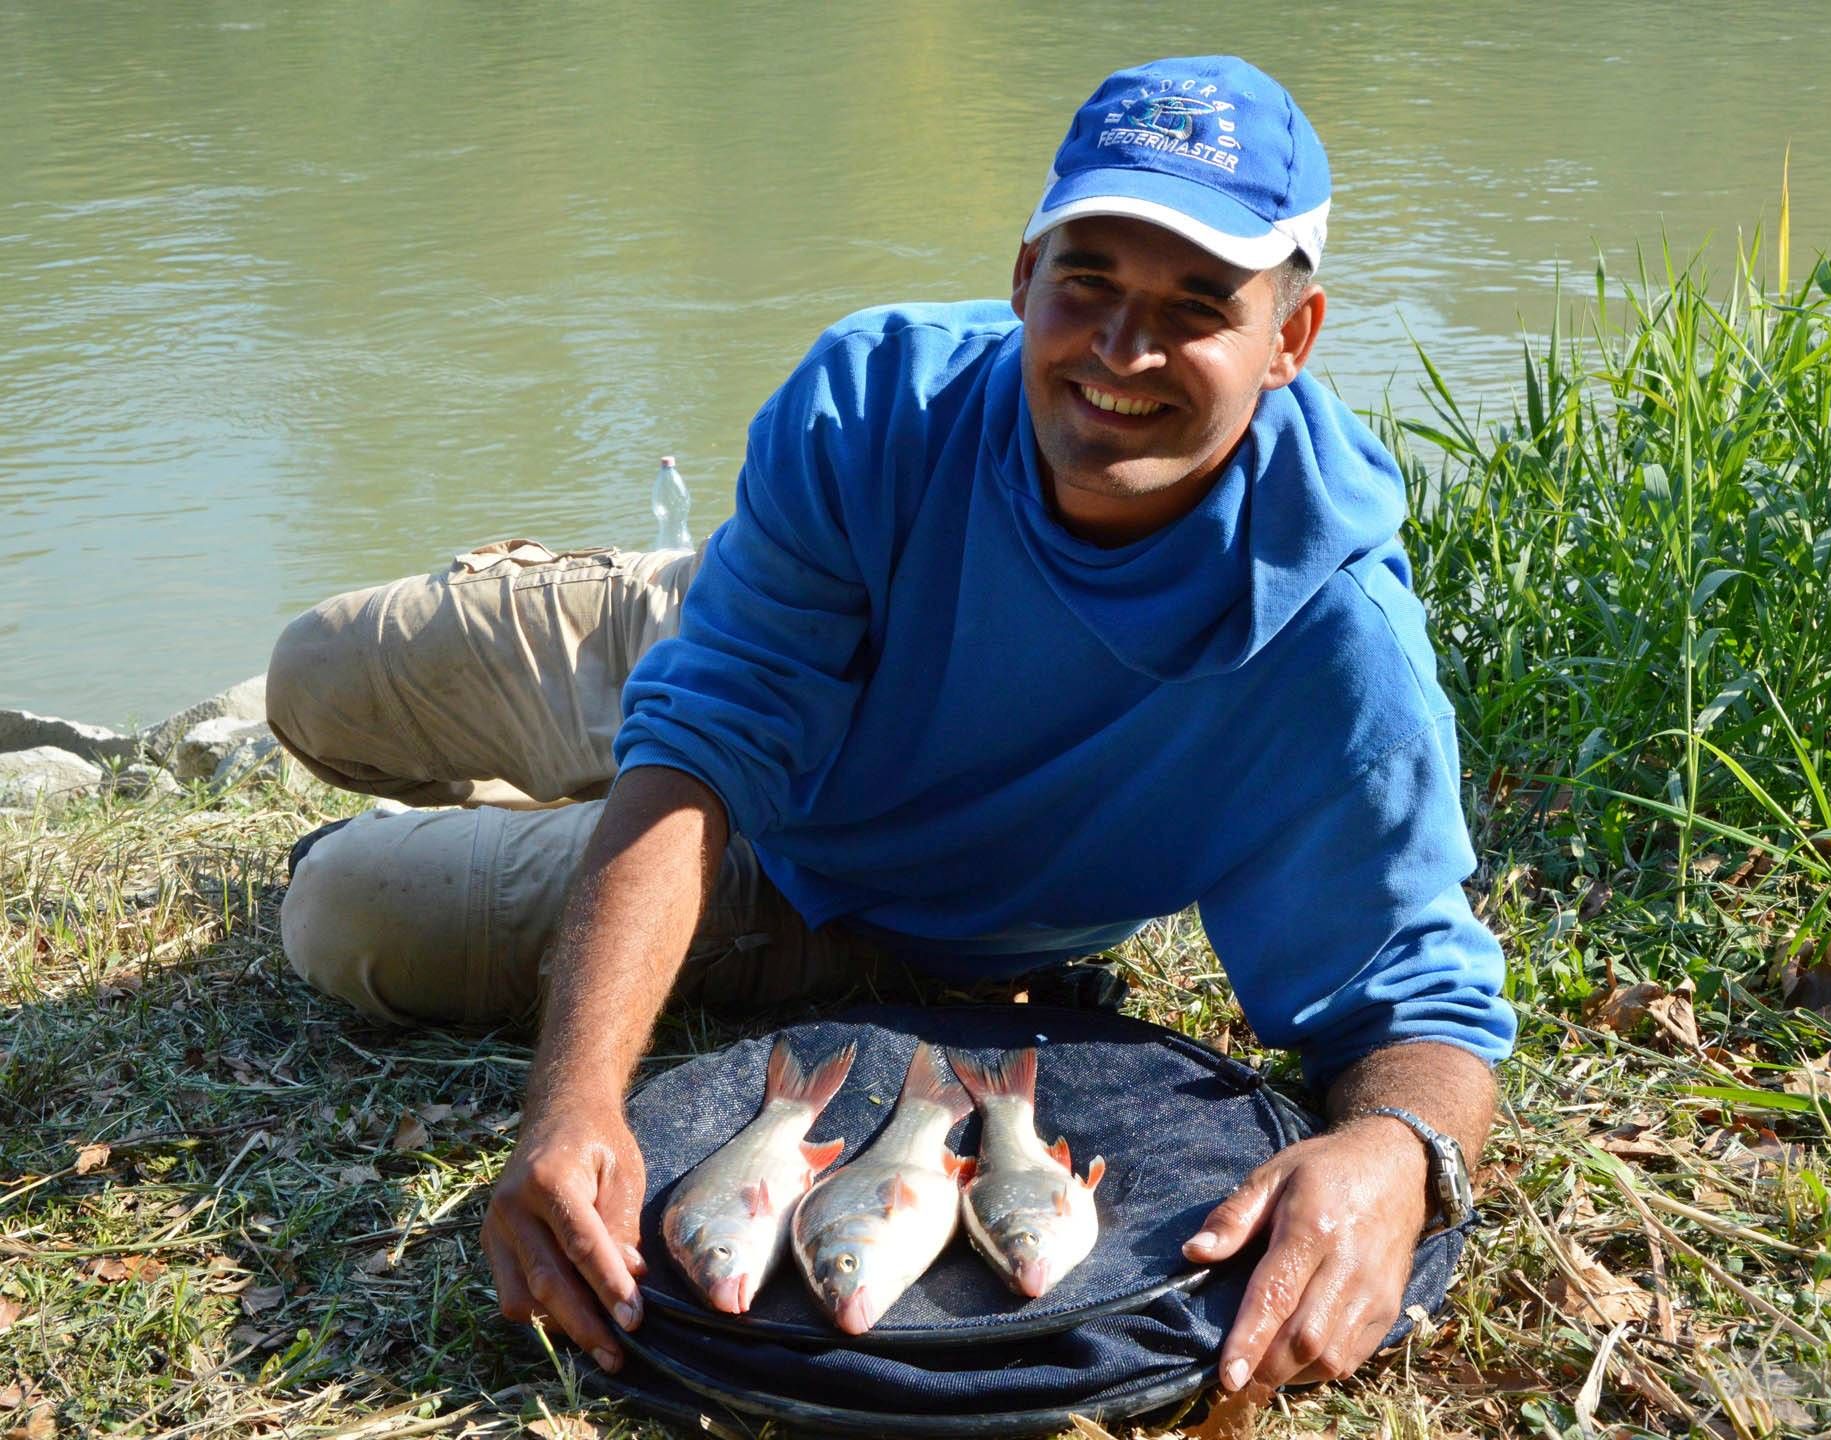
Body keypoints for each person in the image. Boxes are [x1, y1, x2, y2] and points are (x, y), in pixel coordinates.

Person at [266, 55, 1514, 1398]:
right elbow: (705, 741)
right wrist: (571, 1101)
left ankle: (567, 843)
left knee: (340, 909)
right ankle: (659, 607)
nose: (1122, 350)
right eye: (1088, 278)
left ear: (1293, 339)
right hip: (744, 649)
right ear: (1025, 272)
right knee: (315, 676)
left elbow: (1419, 995)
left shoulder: (1324, 636)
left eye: (1197, 307)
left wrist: (1401, 1156)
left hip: (844, 891)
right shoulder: (876, 399)